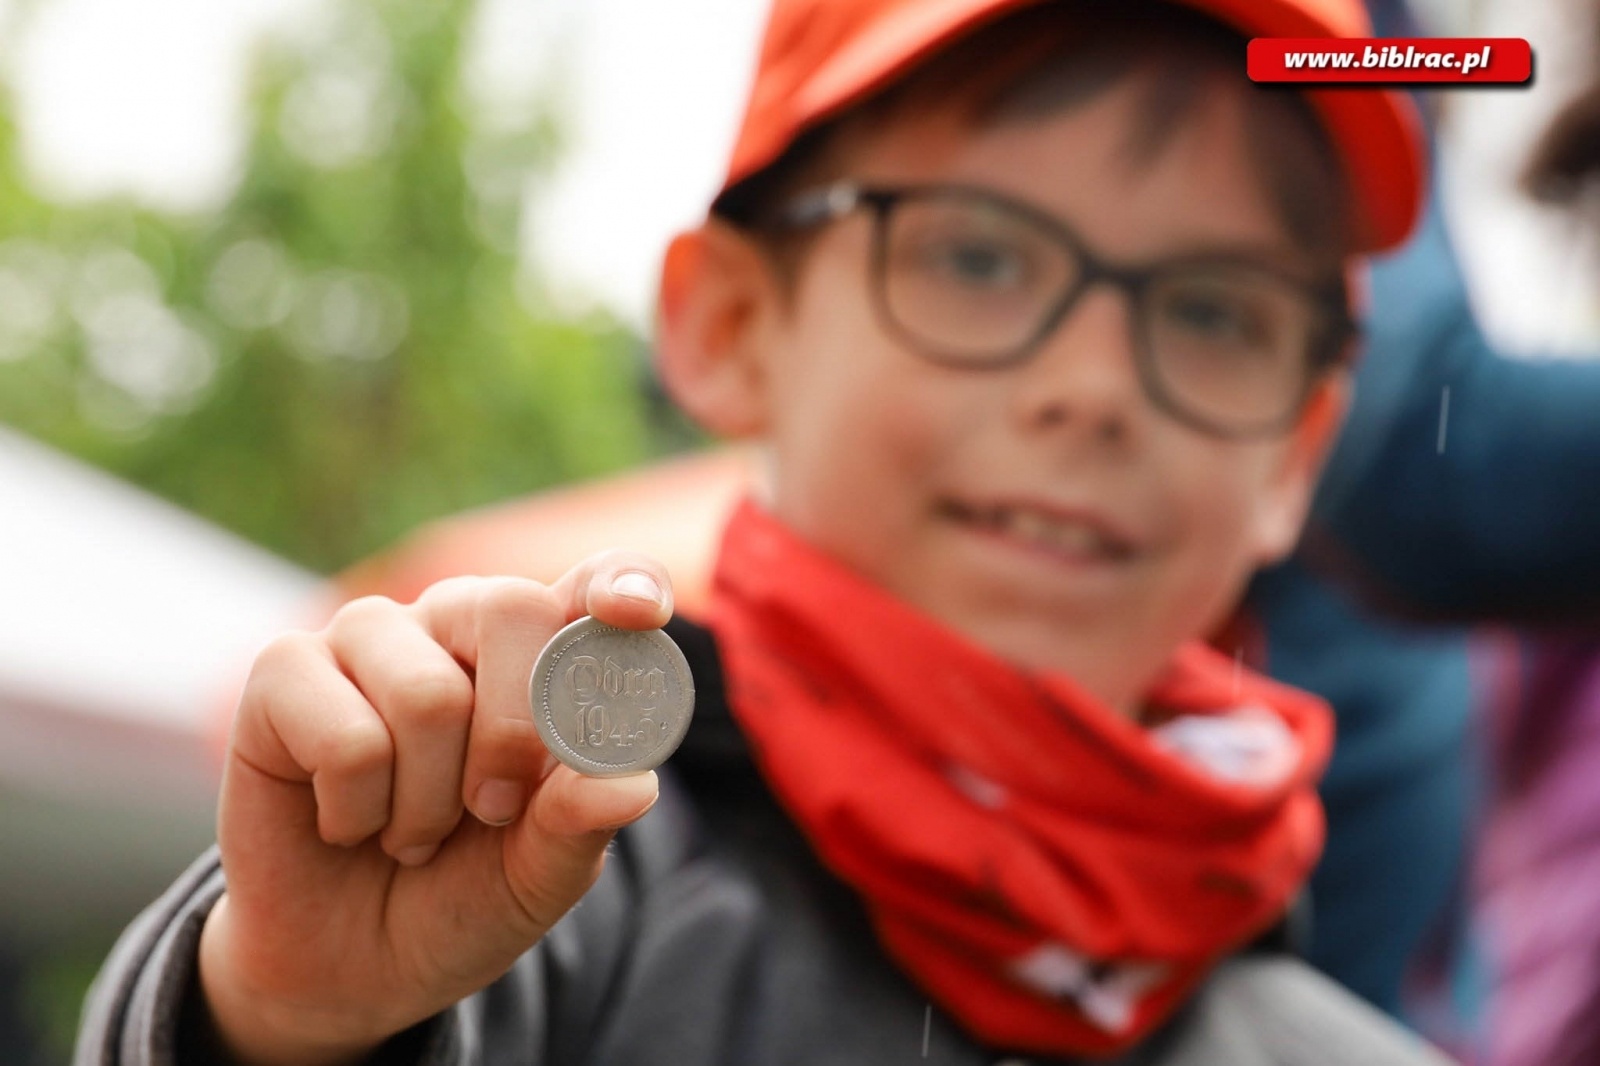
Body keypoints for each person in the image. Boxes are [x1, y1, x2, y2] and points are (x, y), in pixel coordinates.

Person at [76, 1, 1453, 1062]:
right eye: (977, 255)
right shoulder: (521, 895)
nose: (1091, 389)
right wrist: (284, 1017)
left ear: (1298, 451)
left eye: (1215, 310)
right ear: (730, 325)